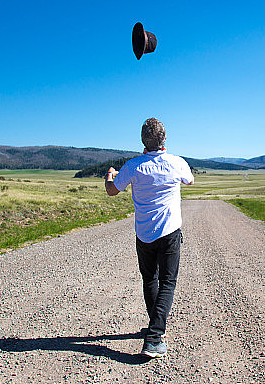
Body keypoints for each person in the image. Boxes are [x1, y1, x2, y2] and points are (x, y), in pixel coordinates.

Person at [104, 118, 194, 358]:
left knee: (150, 279)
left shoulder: (133, 166)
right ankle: (154, 338)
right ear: (164, 139)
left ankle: (155, 324)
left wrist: (109, 175)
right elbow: (190, 180)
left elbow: (112, 190)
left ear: (143, 140)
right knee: (167, 281)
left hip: (143, 233)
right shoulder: (176, 162)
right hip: (170, 231)